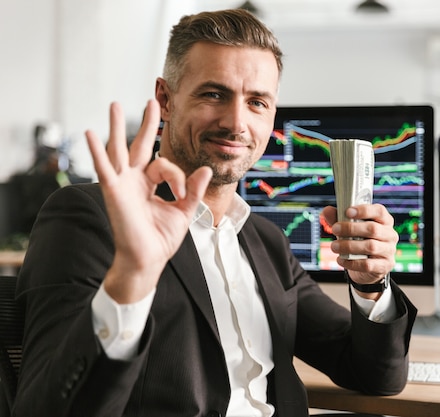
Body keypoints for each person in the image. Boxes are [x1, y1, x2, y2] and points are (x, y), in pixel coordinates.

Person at [14, 9, 417, 417]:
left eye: (257, 102)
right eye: (213, 94)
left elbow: (377, 376)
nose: (236, 122)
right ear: (165, 99)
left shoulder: (265, 241)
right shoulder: (89, 218)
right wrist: (131, 279)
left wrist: (370, 284)